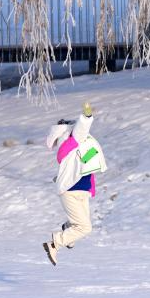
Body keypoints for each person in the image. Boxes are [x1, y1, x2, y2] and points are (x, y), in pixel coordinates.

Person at [42, 101, 107, 265]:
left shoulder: (73, 148)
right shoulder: (73, 140)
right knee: (85, 228)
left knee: (81, 224)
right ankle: (54, 243)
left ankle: (67, 229)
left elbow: (78, 165)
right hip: (71, 192)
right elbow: (82, 127)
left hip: (81, 191)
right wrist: (87, 116)